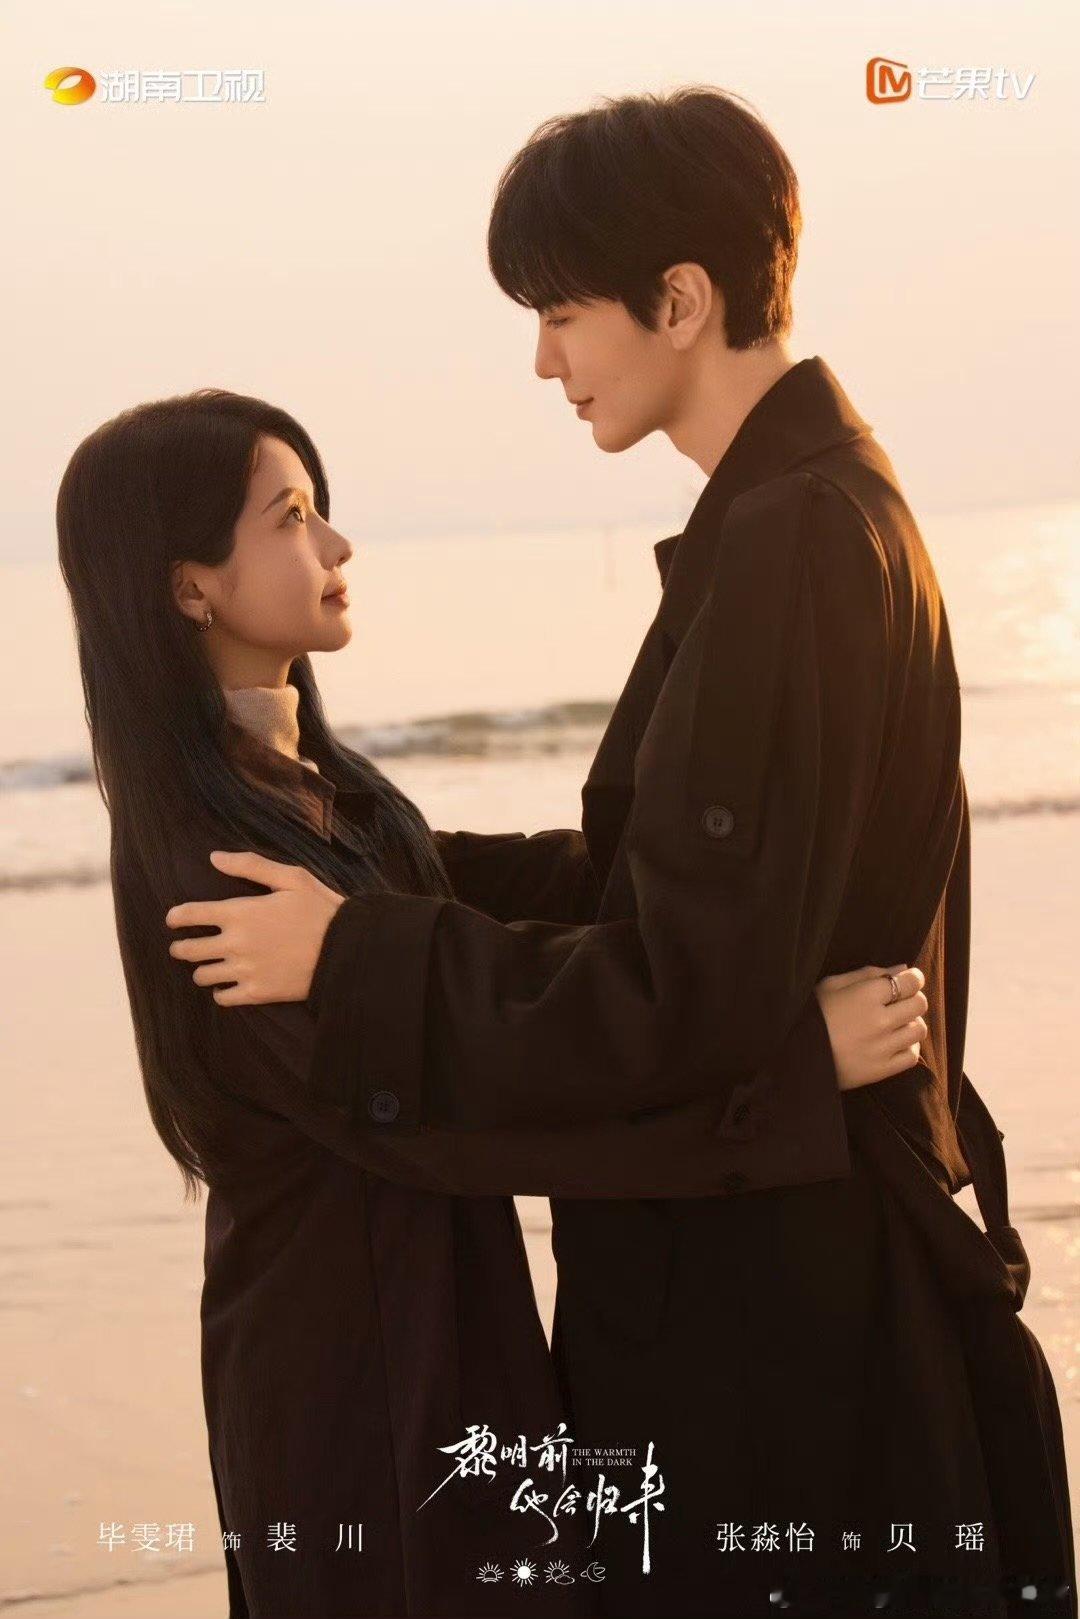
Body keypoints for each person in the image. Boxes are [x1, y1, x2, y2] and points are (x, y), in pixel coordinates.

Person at [168, 89, 1075, 1617]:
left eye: (560, 312)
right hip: (804, 1269)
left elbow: (673, 988)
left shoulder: (791, 540)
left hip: (777, 1320)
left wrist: (358, 950)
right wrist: (385, 865)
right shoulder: (823, 508)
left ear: (682, 299)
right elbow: (664, 881)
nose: (544, 359)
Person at [56, 390, 919, 1618]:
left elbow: (503, 913)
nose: (337, 544)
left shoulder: (319, 792)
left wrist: (742, 869)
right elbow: (473, 1129)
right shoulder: (220, 876)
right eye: (290, 516)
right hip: (359, 1399)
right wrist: (793, 1070)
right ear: (189, 585)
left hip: (448, 1352)